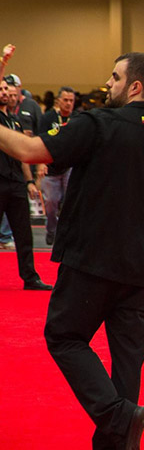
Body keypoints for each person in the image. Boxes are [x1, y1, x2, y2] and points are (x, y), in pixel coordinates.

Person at [0, 51, 144, 450]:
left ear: (135, 86)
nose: (108, 84)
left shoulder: (99, 124)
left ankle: (116, 416)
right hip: (143, 275)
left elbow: (30, 150)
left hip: (91, 264)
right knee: (127, 365)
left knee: (64, 337)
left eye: (115, 77)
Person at [0, 74, 50, 289]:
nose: (5, 94)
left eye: (7, 90)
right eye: (1, 89)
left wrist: (29, 181)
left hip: (16, 183)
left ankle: (30, 277)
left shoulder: (15, 121)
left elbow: (22, 156)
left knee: (24, 233)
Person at [35, 86, 76, 245]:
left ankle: (67, 234)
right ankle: (52, 230)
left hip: (70, 167)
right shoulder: (48, 118)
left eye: (71, 100)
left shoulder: (77, 118)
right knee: (51, 203)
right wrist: (40, 163)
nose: (68, 103)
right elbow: (40, 140)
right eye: (65, 100)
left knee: (71, 202)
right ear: (58, 101)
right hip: (50, 168)